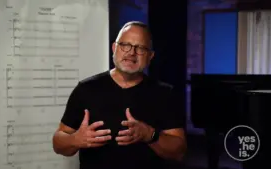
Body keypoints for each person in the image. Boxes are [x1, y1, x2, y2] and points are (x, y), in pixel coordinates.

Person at [52, 21, 187, 169]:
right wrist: (75, 139)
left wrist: (149, 134)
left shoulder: (165, 94)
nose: (131, 52)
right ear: (114, 48)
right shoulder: (86, 89)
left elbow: (179, 151)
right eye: (125, 45)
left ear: (150, 56)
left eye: (140, 48)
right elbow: (58, 144)